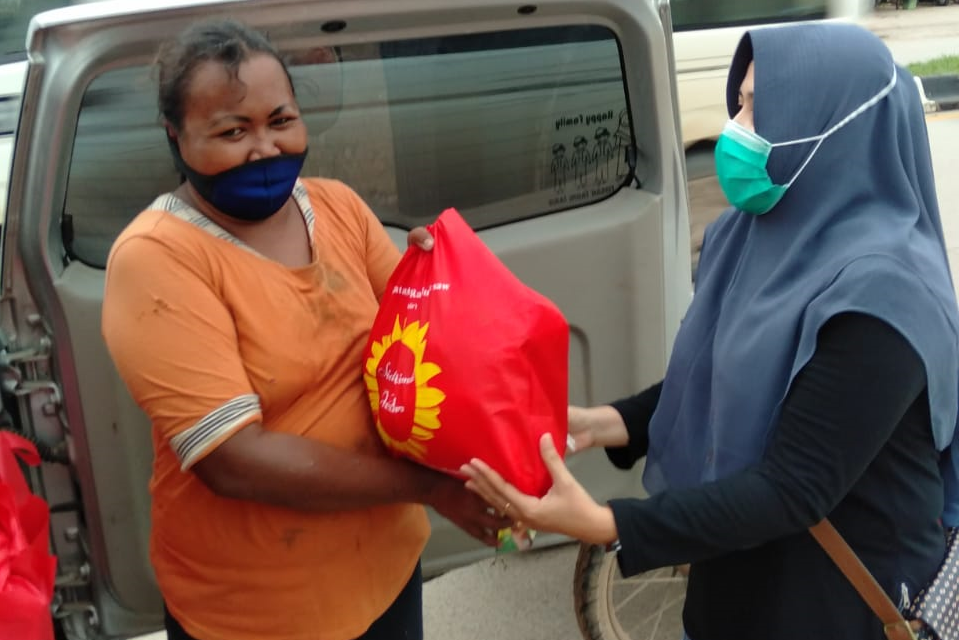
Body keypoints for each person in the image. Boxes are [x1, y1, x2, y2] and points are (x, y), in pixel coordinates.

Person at [462, 22, 959, 640]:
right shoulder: (754, 236)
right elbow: (723, 377)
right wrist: (603, 423)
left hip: (835, 607)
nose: (735, 128)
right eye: (739, 103)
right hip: (735, 588)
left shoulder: (886, 297)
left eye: (757, 110)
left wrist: (605, 522)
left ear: (832, 130)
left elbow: (793, 487)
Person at [100, 20, 508, 640]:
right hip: (258, 613)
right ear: (175, 137)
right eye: (232, 131)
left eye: (280, 121)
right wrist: (433, 488)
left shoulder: (338, 206)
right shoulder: (157, 258)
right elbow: (234, 460)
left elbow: (424, 344)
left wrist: (441, 277)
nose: (264, 148)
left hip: (387, 569)